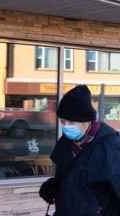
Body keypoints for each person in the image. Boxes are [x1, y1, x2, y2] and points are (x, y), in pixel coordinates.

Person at [39, 85, 120, 216]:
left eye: (71, 122)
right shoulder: (65, 143)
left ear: (87, 120)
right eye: (62, 121)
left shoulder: (111, 148)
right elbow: (66, 175)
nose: (66, 126)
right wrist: (55, 186)